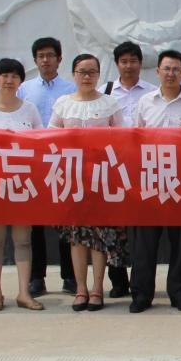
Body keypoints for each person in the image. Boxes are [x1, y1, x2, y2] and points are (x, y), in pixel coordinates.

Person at [130, 50, 181, 313]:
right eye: (166, 69)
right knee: (145, 243)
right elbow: (133, 140)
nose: (171, 74)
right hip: (150, 180)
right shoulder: (145, 103)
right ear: (158, 72)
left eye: (176, 69)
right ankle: (141, 295)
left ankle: (180, 293)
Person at [48, 54, 127, 312]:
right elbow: (49, 137)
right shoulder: (63, 104)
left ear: (98, 75)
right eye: (82, 71)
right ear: (73, 74)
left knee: (99, 236)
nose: (87, 77)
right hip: (72, 179)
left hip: (102, 178)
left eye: (92, 72)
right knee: (77, 237)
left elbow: (123, 139)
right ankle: (80, 289)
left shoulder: (109, 103)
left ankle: (97, 289)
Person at [0, 58, 45, 312]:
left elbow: (41, 142)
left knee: (23, 240)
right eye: (4, 75)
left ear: (21, 81)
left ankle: (24, 292)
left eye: (14, 76)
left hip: (23, 184)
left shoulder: (29, 109)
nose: (9, 80)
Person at [17, 36, 77, 296]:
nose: (45, 60)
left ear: (59, 59)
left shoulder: (70, 89)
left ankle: (70, 276)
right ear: (35, 60)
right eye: (41, 56)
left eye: (50, 55)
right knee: (35, 224)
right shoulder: (24, 89)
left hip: (63, 161)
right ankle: (36, 278)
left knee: (65, 222)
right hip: (33, 162)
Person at [101, 40, 157, 298]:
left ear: (140, 63)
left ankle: (141, 281)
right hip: (113, 166)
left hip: (144, 167)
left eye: (133, 61)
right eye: (124, 61)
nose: (129, 66)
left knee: (141, 227)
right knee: (115, 226)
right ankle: (118, 280)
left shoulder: (152, 93)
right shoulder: (105, 93)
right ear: (117, 64)